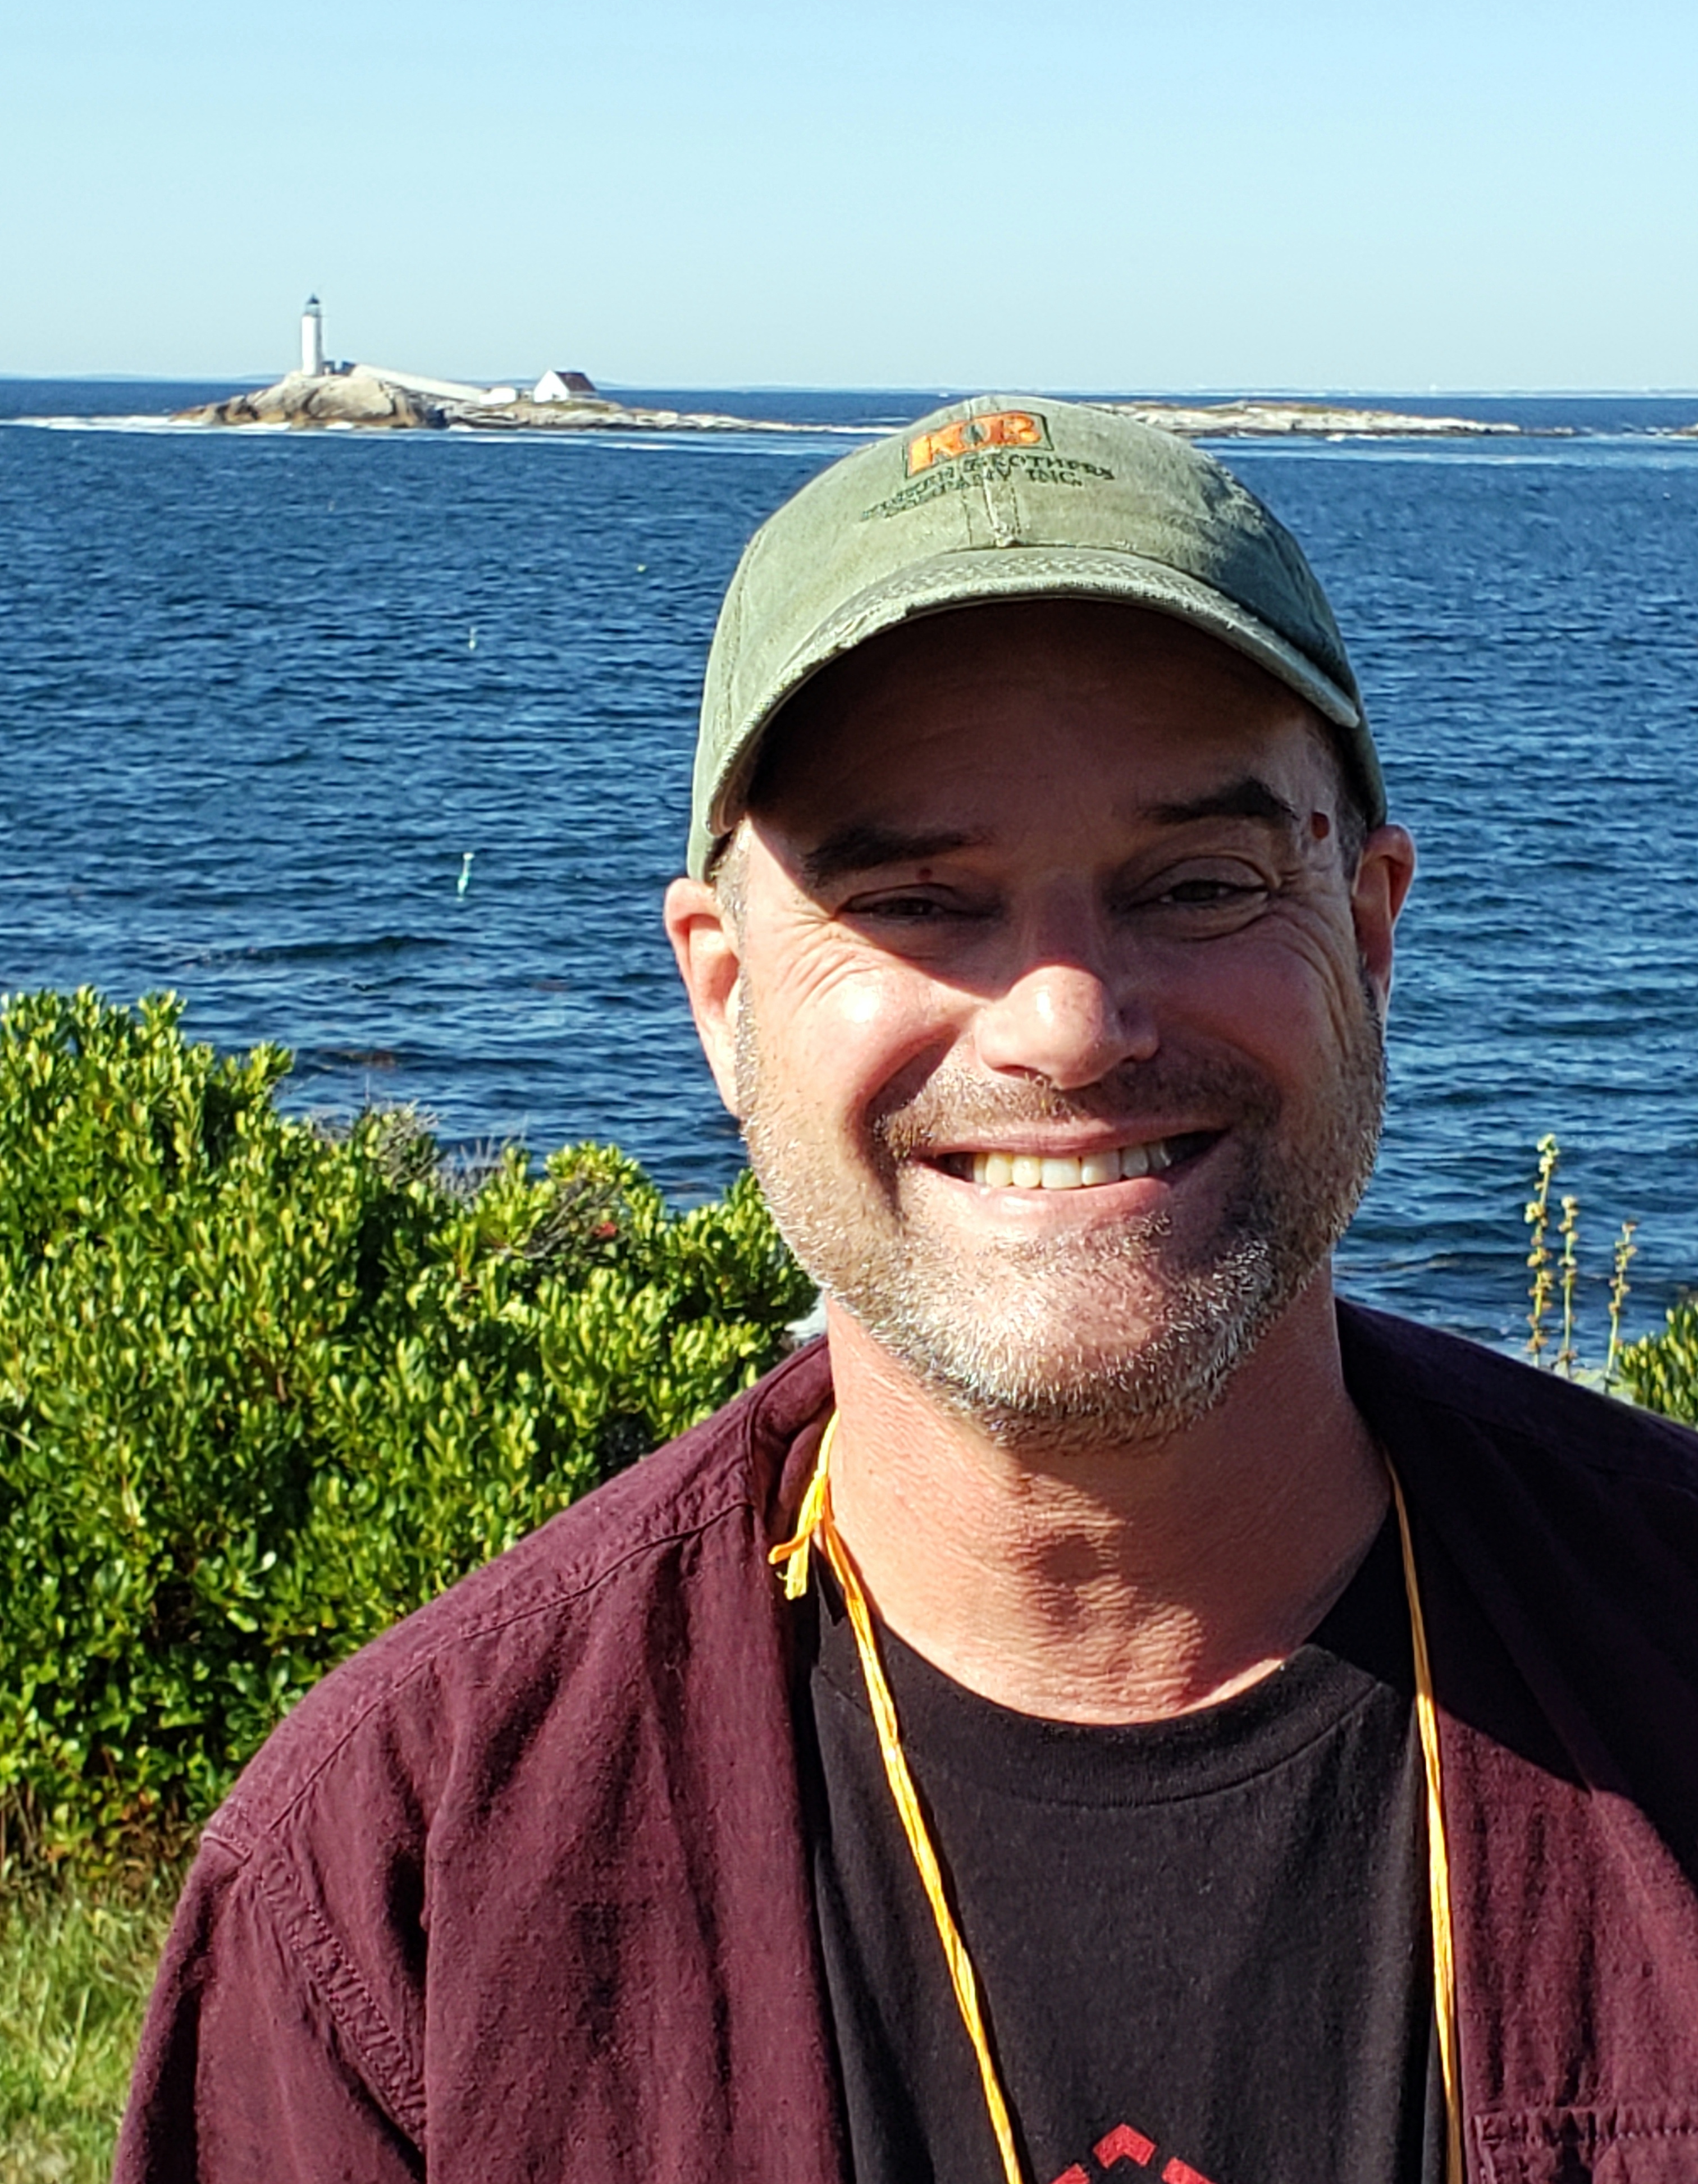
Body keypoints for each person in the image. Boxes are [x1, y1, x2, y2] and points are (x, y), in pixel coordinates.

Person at [118, 398, 1698, 2184]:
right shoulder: (396, 1883)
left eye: (1199, 884)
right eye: (918, 901)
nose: (1067, 1024)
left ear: (1371, 929)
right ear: (723, 997)